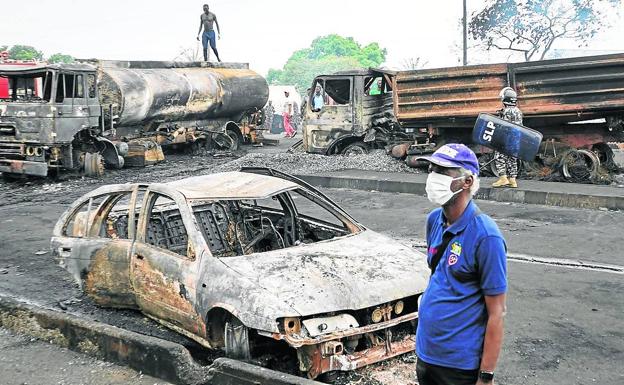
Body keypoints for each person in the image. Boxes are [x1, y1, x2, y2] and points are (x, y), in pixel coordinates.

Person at [415, 143, 508, 385]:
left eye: (442, 172)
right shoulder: (434, 220)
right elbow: (440, 275)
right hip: (426, 354)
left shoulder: (487, 236)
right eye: (431, 170)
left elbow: (496, 313)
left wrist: (486, 377)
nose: (432, 177)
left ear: (467, 182)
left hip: (459, 366)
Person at [492, 87, 522, 188]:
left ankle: (503, 179)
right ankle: (513, 180)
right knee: (512, 159)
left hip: (506, 140)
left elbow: (503, 126)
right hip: (516, 140)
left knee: (499, 157)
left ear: (506, 100)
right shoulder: (518, 111)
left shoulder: (506, 111)